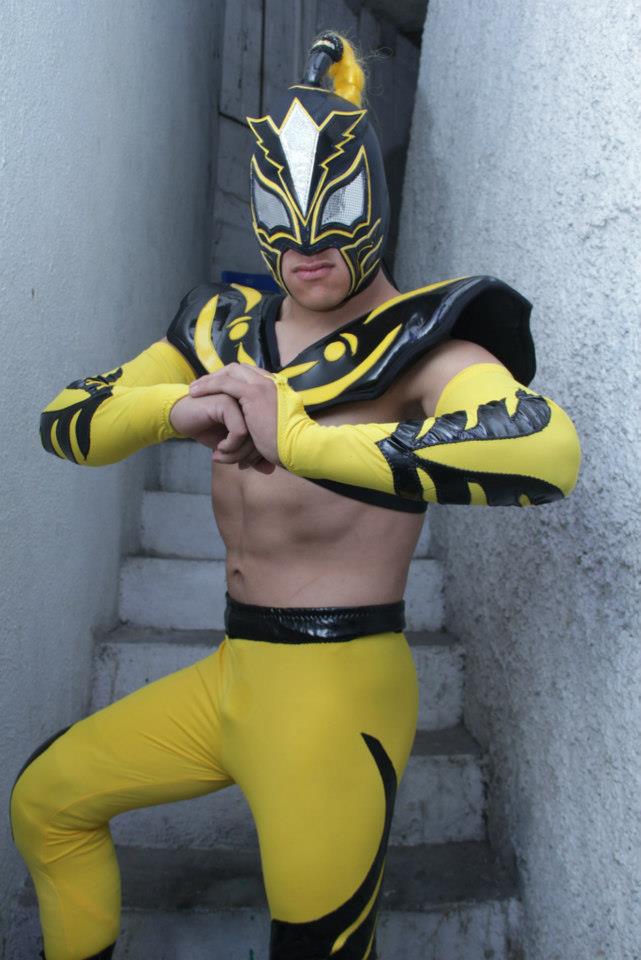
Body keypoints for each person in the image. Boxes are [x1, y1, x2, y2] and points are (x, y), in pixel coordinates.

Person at [10, 33, 581, 960]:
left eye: (335, 209)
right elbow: (66, 419)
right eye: (283, 211)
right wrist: (179, 408)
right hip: (231, 676)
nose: (308, 243)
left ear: (373, 196)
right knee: (48, 802)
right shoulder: (223, 331)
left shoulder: (424, 342)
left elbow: (542, 447)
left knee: (316, 946)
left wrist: (304, 439)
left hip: (335, 692)